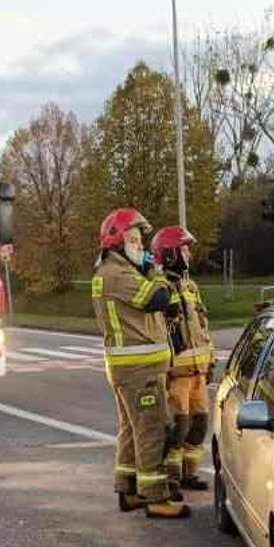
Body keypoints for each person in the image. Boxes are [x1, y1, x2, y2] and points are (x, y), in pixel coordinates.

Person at [91, 208, 188, 521]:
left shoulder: (114, 271)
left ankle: (129, 489)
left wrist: (146, 268)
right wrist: (156, 269)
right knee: (152, 430)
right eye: (134, 240)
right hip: (139, 370)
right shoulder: (117, 274)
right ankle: (156, 497)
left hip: (130, 368)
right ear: (117, 242)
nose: (142, 248)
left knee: (131, 431)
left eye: (141, 241)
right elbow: (157, 299)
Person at [151, 225, 215, 492]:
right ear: (169, 254)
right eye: (184, 249)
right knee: (179, 427)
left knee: (200, 425)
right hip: (176, 374)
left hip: (198, 372)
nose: (188, 254)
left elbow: (202, 325)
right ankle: (172, 477)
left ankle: (189, 473)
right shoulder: (160, 288)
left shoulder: (191, 286)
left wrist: (210, 359)